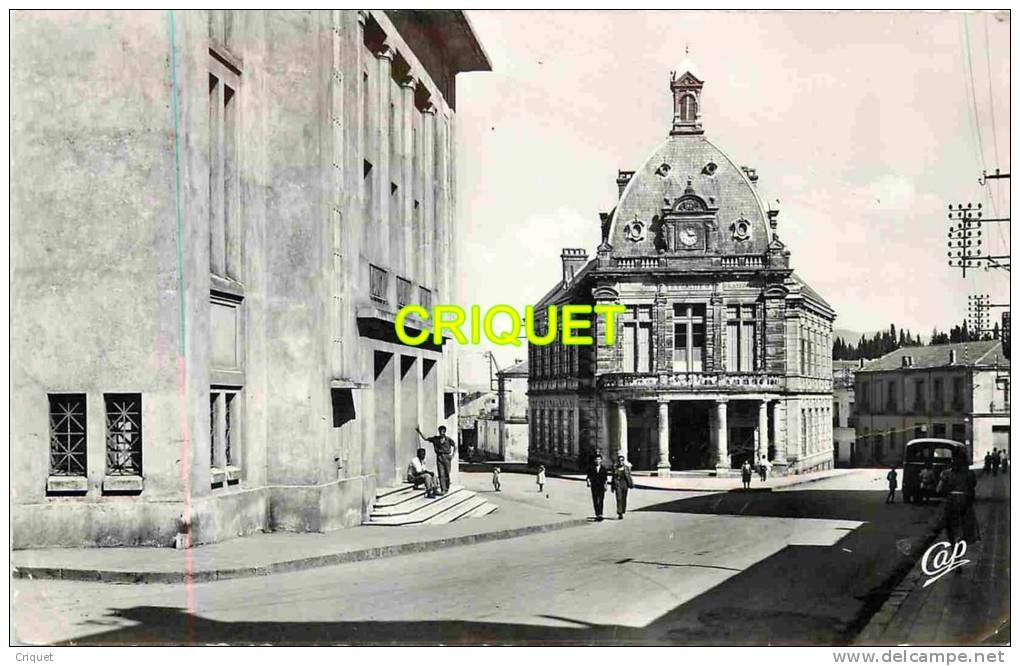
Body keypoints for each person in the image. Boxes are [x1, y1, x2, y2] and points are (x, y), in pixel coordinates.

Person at [937, 455, 980, 545]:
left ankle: (948, 540)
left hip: (951, 501)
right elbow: (973, 485)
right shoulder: (970, 473)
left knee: (945, 523)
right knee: (969, 522)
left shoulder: (946, 473)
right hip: (965, 501)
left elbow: (939, 489)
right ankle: (970, 538)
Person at [417, 425, 456, 495]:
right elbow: (425, 438)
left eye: (443, 431)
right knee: (441, 473)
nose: (441, 432)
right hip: (439, 457)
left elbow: (455, 446)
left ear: (445, 432)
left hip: (447, 457)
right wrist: (420, 432)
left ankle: (446, 488)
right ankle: (443, 489)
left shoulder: (448, 439)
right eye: (440, 431)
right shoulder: (436, 439)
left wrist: (453, 455)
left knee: (447, 473)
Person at [586, 452, 609, 521]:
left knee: (601, 500)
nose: (597, 461)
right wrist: (588, 482)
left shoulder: (603, 468)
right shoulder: (591, 468)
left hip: (601, 486)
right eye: (596, 459)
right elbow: (588, 477)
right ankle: (597, 514)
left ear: (601, 460)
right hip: (594, 486)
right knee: (595, 500)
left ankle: (600, 514)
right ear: (594, 460)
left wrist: (606, 485)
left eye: (599, 459)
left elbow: (605, 478)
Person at [611, 455, 634, 520]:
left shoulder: (626, 468)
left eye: (622, 460)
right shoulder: (615, 468)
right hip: (618, 484)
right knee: (619, 498)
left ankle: (623, 510)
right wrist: (612, 487)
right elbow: (613, 478)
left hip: (625, 484)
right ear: (618, 461)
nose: (621, 462)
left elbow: (629, 476)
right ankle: (620, 512)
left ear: (623, 461)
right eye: (619, 460)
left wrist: (631, 484)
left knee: (624, 498)